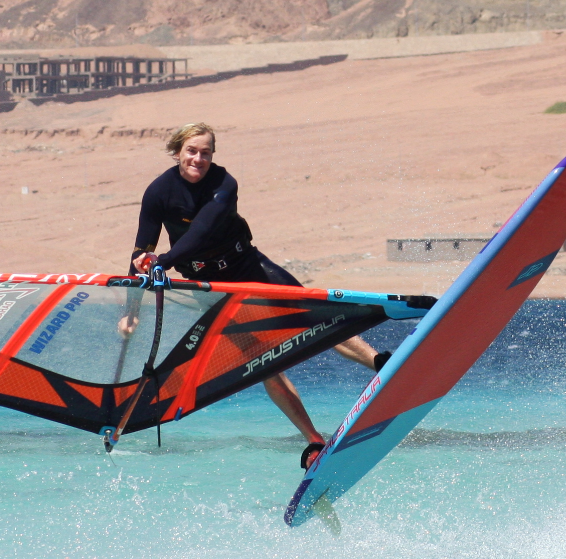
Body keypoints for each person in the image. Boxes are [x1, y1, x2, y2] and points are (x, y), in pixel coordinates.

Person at [128, 122, 388, 469]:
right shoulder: (159, 192)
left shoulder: (223, 184)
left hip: (245, 265)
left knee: (316, 314)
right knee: (263, 360)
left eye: (206, 152)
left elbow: (202, 231)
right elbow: (141, 250)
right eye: (192, 151)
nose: (198, 159)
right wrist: (131, 308)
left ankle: (383, 367)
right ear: (178, 151)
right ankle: (314, 442)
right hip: (213, 289)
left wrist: (164, 261)